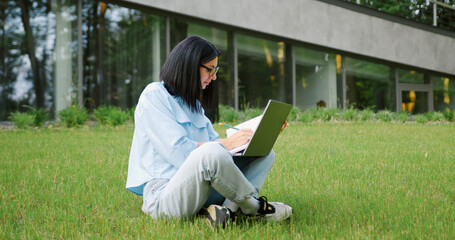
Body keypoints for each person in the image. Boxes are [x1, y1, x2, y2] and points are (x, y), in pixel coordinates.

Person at [126, 36, 292, 227]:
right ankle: (254, 208)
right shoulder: (154, 95)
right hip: (164, 195)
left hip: (201, 192)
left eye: (216, 70)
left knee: (264, 153)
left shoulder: (194, 105)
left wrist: (256, 137)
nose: (214, 77)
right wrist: (227, 143)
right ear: (189, 65)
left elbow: (222, 158)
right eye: (210, 69)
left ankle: (226, 212)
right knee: (211, 152)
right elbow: (180, 152)